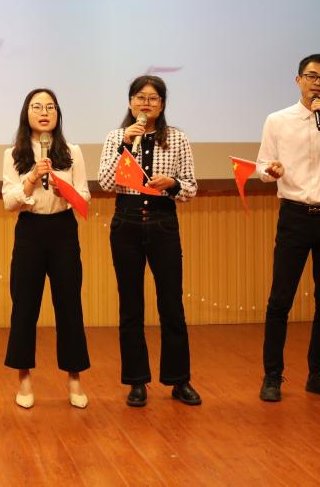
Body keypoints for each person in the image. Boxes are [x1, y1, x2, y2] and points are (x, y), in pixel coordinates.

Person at [257, 54, 320, 403]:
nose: (317, 82)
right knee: (280, 300)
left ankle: (318, 374)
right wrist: (270, 171)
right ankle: (272, 376)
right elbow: (262, 166)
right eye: (311, 76)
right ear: (298, 79)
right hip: (295, 218)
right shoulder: (277, 120)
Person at [98, 75, 201, 408]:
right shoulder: (116, 136)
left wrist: (172, 184)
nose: (146, 103)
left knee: (171, 304)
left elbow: (191, 188)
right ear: (130, 103)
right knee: (130, 306)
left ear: (162, 104)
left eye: (153, 98)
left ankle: (179, 380)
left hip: (162, 222)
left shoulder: (177, 138)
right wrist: (126, 144)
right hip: (125, 223)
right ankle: (136, 381)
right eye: (140, 97)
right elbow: (105, 183)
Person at [2, 89, 91, 410]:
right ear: (26, 114)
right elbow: (9, 201)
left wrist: (63, 190)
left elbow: (84, 196)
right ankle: (24, 378)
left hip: (63, 229)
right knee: (24, 305)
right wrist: (31, 178)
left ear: (57, 114)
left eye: (50, 107)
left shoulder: (72, 151)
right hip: (30, 230)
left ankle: (74, 379)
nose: (44, 112)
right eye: (37, 106)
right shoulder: (14, 153)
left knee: (69, 305)